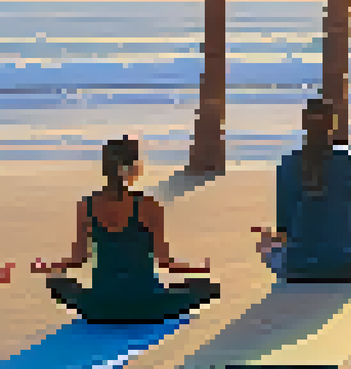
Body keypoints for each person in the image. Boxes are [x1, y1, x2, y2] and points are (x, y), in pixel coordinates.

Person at [31, 137, 220, 323]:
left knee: (58, 282)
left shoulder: (87, 205)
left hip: (101, 308)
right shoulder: (148, 205)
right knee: (204, 286)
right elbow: (165, 262)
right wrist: (198, 269)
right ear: (133, 168)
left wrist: (49, 267)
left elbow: (79, 258)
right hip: (145, 306)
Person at [254, 98, 351, 282]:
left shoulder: (287, 164)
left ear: (304, 125)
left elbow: (284, 228)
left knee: (264, 244)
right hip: (348, 266)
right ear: (333, 126)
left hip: (298, 267)